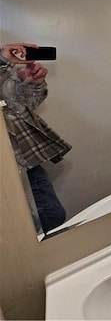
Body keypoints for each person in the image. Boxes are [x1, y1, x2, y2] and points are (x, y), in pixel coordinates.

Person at [0, 42, 71, 233]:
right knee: (21, 231)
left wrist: (30, 84)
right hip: (5, 168)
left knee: (53, 217)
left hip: (24, 159)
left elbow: (20, 107)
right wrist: (2, 62)